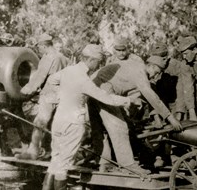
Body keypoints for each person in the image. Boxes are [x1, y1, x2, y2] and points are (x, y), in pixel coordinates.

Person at [43, 44, 132, 190]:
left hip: (59, 120)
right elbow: (106, 98)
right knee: (63, 166)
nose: (99, 65)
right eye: (99, 62)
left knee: (55, 161)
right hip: (73, 123)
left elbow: (51, 80)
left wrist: (61, 95)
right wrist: (127, 101)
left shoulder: (68, 71)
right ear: (91, 60)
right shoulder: (83, 80)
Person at [90, 55, 183, 173]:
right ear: (151, 66)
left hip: (92, 86)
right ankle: (128, 165)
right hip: (103, 89)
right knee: (120, 127)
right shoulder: (140, 73)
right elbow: (152, 97)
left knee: (100, 130)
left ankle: (104, 163)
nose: (156, 75)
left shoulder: (135, 66)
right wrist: (170, 118)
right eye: (156, 72)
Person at [17, 33, 70, 160]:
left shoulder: (48, 57)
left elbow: (40, 77)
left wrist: (26, 90)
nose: (39, 50)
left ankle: (33, 152)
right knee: (55, 125)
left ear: (43, 46)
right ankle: (52, 153)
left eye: (39, 48)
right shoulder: (64, 58)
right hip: (62, 95)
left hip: (49, 95)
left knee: (39, 123)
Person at [150, 43, 197, 121]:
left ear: (167, 57)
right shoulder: (151, 67)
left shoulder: (177, 66)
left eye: (162, 59)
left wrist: (180, 111)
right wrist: (156, 115)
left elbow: (183, 90)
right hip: (162, 103)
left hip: (177, 102)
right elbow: (151, 92)